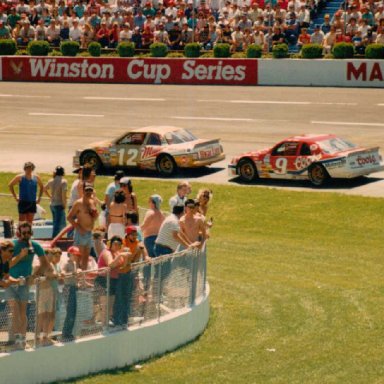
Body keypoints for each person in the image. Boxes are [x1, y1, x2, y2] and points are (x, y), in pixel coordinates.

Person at [6, 222, 47, 349]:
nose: (26, 235)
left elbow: (44, 263)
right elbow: (7, 264)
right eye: (23, 233)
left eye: (28, 232)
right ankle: (15, 338)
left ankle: (21, 339)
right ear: (18, 233)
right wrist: (20, 256)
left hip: (24, 283)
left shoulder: (34, 246)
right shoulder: (13, 245)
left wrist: (34, 276)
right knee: (14, 311)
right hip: (11, 282)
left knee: (22, 312)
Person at [95, 235, 126, 326]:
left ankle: (107, 324)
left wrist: (126, 256)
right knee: (106, 304)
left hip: (114, 280)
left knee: (111, 304)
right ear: (110, 244)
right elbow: (110, 264)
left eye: (119, 244)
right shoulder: (106, 252)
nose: (117, 246)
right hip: (104, 280)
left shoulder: (117, 253)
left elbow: (124, 266)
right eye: (115, 244)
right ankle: (104, 326)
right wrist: (120, 255)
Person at [67, 183, 99, 271]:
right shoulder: (78, 203)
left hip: (89, 233)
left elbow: (94, 217)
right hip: (80, 233)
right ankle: (77, 278)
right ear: (83, 191)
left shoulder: (93, 202)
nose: (88, 192)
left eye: (90, 190)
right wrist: (78, 228)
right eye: (87, 190)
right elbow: (69, 217)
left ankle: (83, 279)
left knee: (86, 257)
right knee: (78, 258)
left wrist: (95, 216)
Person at [33, 248, 58, 346]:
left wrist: (48, 275)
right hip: (41, 292)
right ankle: (37, 336)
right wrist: (45, 277)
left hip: (49, 291)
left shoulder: (51, 265)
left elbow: (55, 275)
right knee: (40, 315)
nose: (52, 256)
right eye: (51, 254)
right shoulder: (38, 265)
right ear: (45, 255)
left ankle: (46, 336)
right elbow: (33, 279)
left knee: (48, 314)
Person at [44, 165, 68, 238]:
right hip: (59, 204)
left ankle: (58, 237)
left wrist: (50, 196)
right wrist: (64, 204)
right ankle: (55, 239)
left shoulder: (51, 180)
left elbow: (44, 189)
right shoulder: (63, 182)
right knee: (58, 225)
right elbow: (63, 194)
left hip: (52, 204)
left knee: (56, 223)